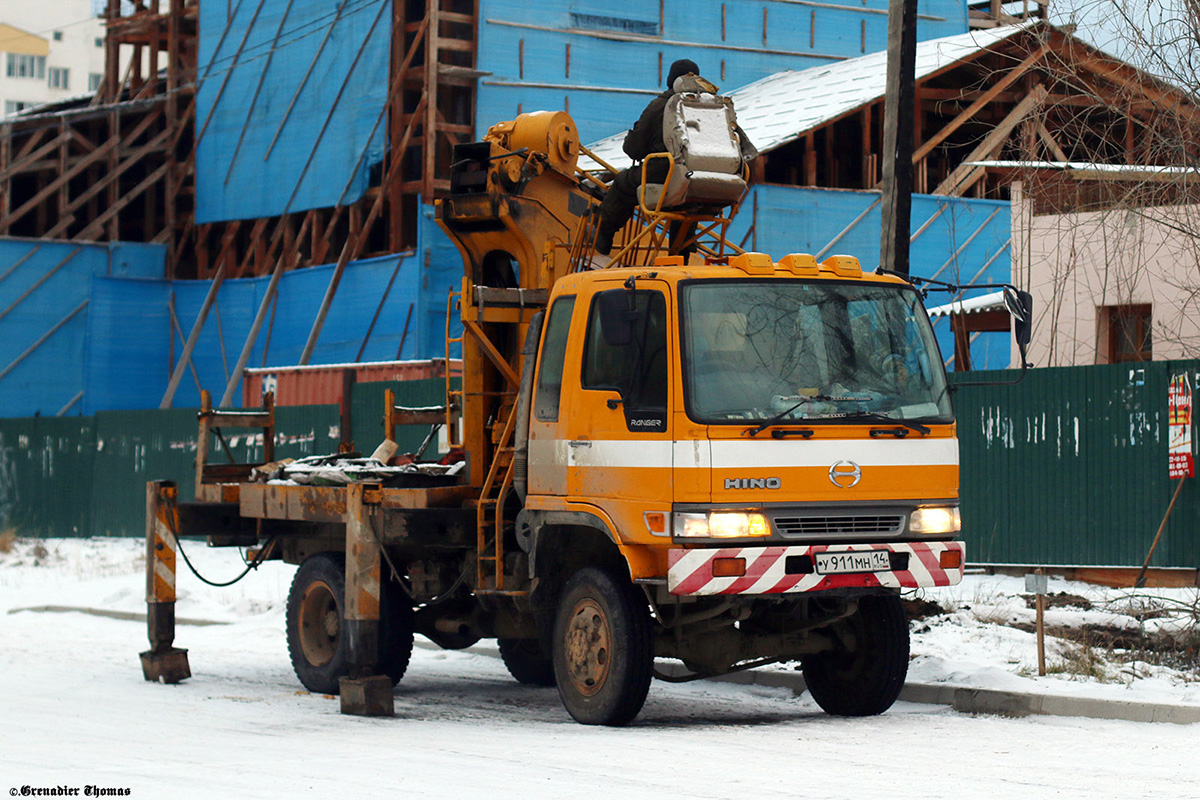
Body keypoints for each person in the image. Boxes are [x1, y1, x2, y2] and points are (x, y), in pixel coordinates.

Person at [593, 59, 700, 255]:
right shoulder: (709, 107)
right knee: (686, 206)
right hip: (699, 175)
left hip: (664, 171)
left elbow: (633, 148)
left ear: (671, 80)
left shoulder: (661, 106)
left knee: (623, 182)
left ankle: (602, 234)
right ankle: (681, 253)